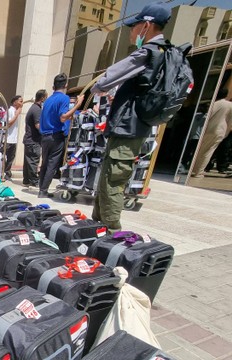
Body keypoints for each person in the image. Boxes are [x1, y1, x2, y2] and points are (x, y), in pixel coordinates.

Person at [90, 2, 172, 232]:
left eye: (134, 27)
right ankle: (99, 230)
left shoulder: (148, 53)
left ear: (146, 26)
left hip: (127, 128)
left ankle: (113, 235)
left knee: (112, 183)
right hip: (137, 129)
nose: (131, 32)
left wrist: (98, 89)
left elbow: (106, 80)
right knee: (110, 180)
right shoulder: (166, 54)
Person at [38, 73, 84, 198]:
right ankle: (43, 191)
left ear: (54, 86)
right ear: (66, 85)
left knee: (45, 163)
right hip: (55, 135)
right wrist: (78, 105)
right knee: (52, 165)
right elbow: (63, 117)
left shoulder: (48, 100)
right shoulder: (64, 98)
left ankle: (41, 189)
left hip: (45, 136)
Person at [191, 89, 232, 178]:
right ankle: (199, 172)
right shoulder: (229, 105)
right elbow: (230, 121)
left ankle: (194, 169)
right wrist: (227, 132)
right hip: (219, 130)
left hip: (207, 129)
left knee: (200, 150)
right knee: (208, 151)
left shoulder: (213, 103)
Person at [23, 90, 47, 187]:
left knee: (28, 161)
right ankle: (34, 181)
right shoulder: (37, 109)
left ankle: (26, 180)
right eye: (46, 98)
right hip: (33, 140)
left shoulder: (33, 108)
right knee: (33, 161)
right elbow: (38, 125)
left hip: (29, 140)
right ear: (42, 98)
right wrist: (46, 133)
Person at [5, 95, 23, 180]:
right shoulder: (10, 111)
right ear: (15, 102)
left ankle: (8, 173)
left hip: (13, 139)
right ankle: (5, 173)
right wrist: (17, 114)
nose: (22, 103)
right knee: (6, 157)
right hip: (8, 139)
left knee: (11, 158)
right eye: (20, 101)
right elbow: (8, 124)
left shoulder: (15, 111)